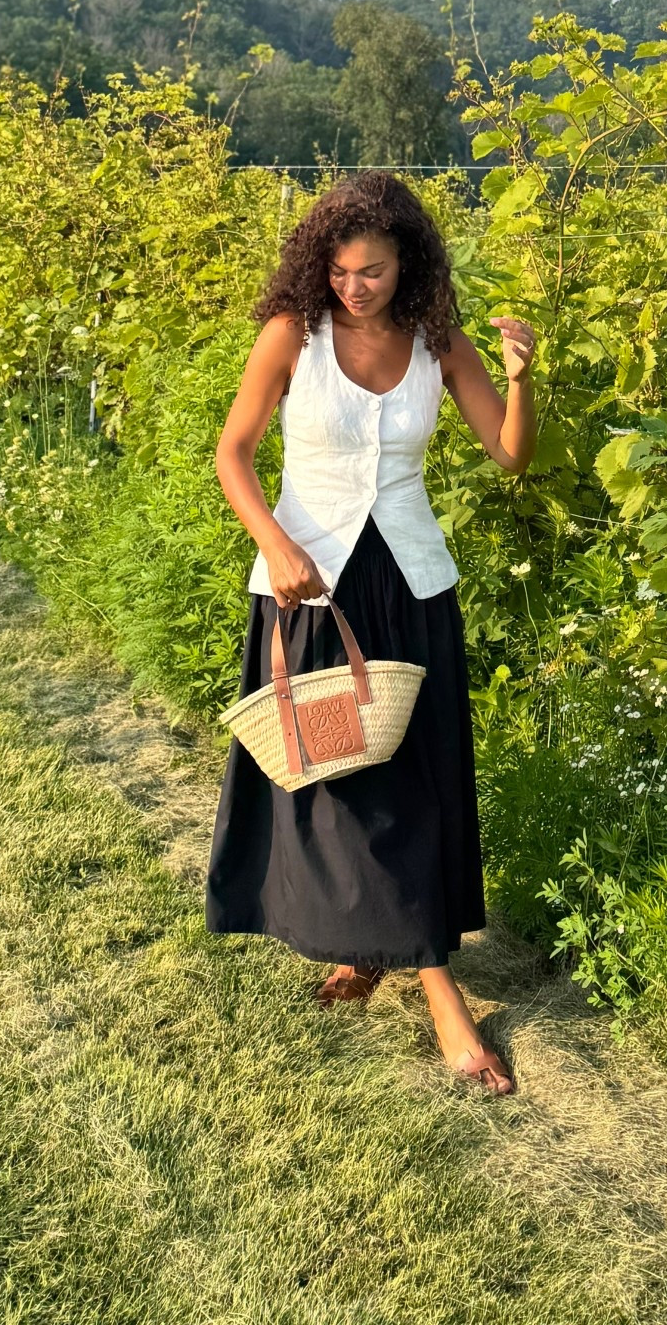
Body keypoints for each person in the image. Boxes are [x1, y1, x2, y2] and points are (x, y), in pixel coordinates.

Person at [205, 171, 536, 1096]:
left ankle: (401, 959)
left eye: (375, 272)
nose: (355, 288)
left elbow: (510, 455)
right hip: (310, 586)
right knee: (340, 777)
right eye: (342, 270)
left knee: (412, 783)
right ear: (322, 261)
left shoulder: (439, 343)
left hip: (413, 583)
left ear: (409, 265)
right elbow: (233, 453)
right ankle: (424, 983)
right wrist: (275, 545)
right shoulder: (292, 335)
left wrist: (520, 379)